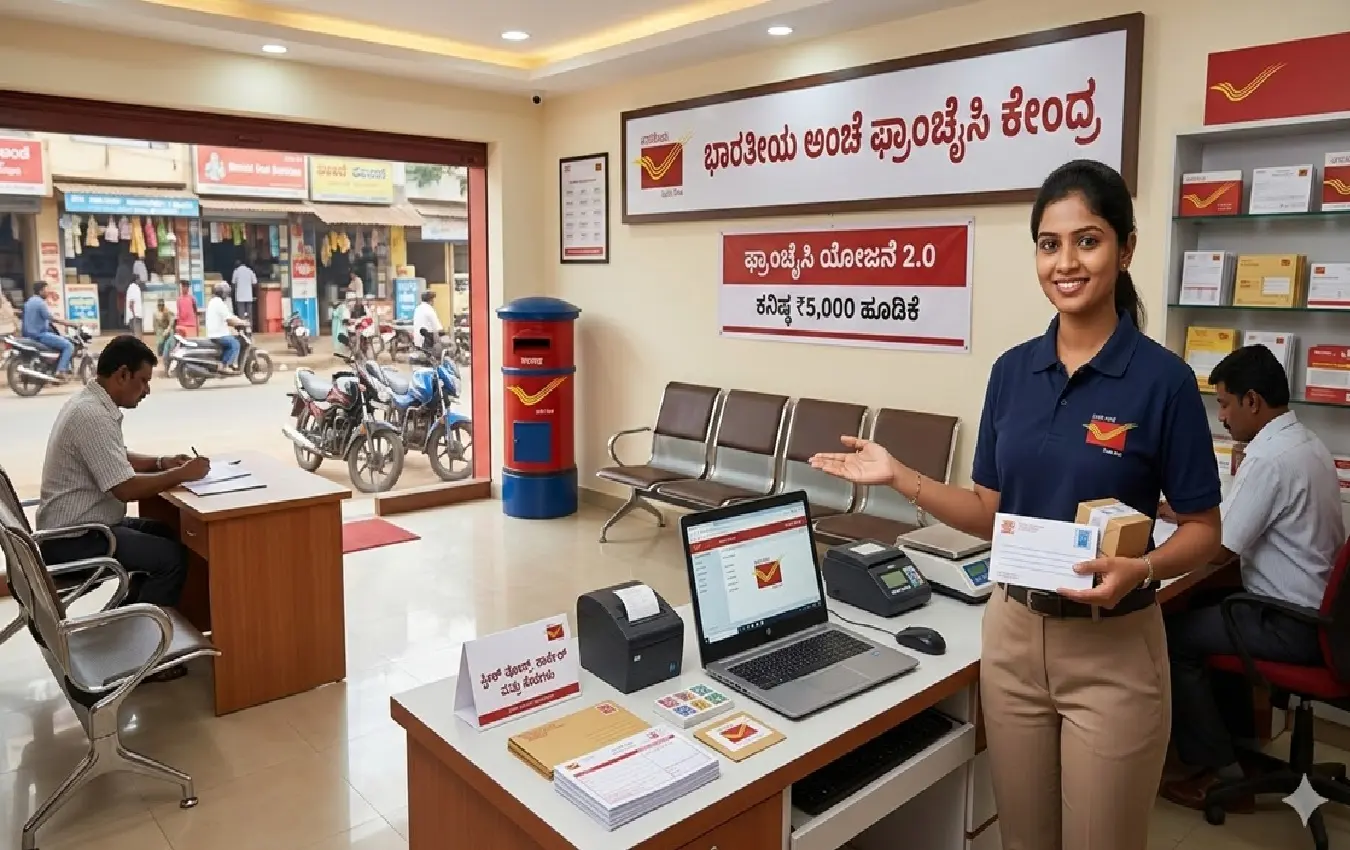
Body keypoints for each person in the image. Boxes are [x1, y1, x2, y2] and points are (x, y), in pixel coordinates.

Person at [809, 160, 1222, 850]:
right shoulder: (1011, 373)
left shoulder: (1165, 382)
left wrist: (1143, 569)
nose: (1066, 262)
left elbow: (1204, 531)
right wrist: (902, 476)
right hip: (1011, 639)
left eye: (1087, 241)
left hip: (1113, 651)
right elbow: (988, 511)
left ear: (1126, 249)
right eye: (1049, 243)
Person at [1160, 344, 1345, 811]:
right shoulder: (1305, 443)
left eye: (1223, 403)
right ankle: (1238, 744)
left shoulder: (1268, 460)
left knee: (1173, 635)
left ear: (1252, 402)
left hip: (1291, 623)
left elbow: (1218, 547)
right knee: (1206, 613)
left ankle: (1215, 770)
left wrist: (1164, 540)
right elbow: (1235, 521)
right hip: (1322, 618)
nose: (1220, 416)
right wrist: (1184, 513)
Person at [36, 335, 209, 679]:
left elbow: (117, 457)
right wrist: (181, 474)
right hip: (73, 540)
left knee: (165, 533)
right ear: (122, 374)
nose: (146, 391)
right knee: (171, 559)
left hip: (84, 526)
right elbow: (125, 487)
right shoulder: (92, 416)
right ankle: (143, 661)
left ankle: (126, 631)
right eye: (143, 381)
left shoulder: (90, 404)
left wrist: (160, 462)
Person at [22, 281, 77, 380]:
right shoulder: (40, 303)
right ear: (41, 291)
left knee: (61, 339)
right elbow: (51, 318)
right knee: (68, 345)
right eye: (46, 290)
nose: (48, 292)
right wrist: (68, 323)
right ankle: (61, 370)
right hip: (40, 335)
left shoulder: (29, 302)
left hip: (29, 335)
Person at [205, 282, 248, 372]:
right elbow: (229, 319)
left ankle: (230, 363)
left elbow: (229, 317)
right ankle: (224, 365)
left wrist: (237, 320)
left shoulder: (213, 301)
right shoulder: (219, 303)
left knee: (232, 339)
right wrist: (243, 322)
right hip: (219, 334)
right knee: (235, 344)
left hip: (214, 333)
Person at [413, 289, 444, 358]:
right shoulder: (429, 310)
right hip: (426, 341)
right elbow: (437, 327)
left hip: (417, 340)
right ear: (431, 300)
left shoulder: (418, 308)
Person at [232, 259, 257, 330]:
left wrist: (232, 292)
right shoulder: (250, 271)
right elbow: (255, 283)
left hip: (240, 297)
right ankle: (250, 329)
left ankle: (242, 329)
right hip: (249, 296)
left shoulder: (236, 272)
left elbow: (233, 284)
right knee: (249, 314)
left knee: (241, 315)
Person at [153, 298, 174, 374]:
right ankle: (166, 368)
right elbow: (155, 326)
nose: (161, 306)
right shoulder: (155, 314)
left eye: (162, 305)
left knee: (167, 352)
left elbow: (171, 323)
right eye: (159, 305)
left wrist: (167, 330)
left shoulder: (167, 312)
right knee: (161, 352)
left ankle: (167, 369)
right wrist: (158, 334)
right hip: (161, 335)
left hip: (168, 334)